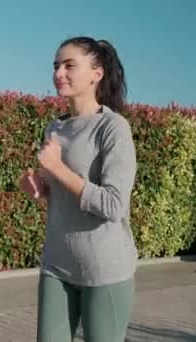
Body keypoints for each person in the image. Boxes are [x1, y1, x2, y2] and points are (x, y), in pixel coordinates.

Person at [20, 36, 138, 342]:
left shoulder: (113, 129)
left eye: (69, 65)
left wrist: (58, 168)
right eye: (56, 66)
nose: (59, 73)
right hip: (57, 265)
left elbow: (113, 205)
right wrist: (40, 189)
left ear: (96, 73)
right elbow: (62, 195)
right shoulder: (54, 127)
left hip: (104, 270)